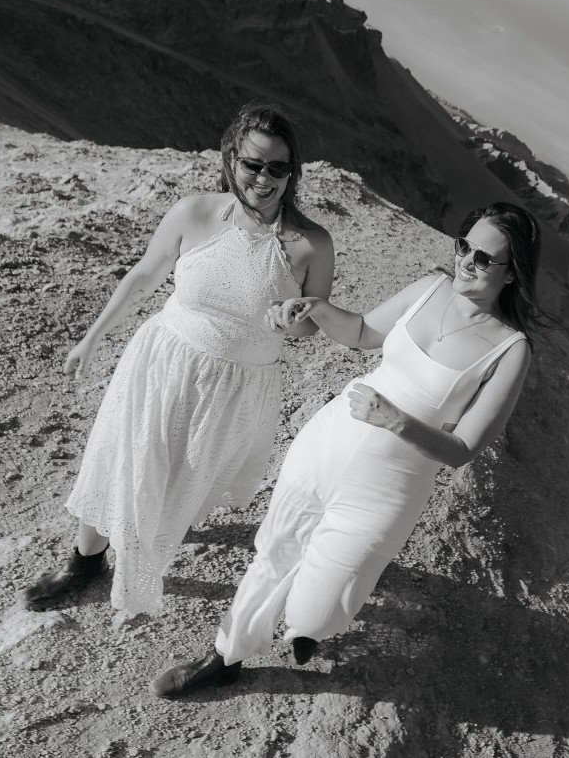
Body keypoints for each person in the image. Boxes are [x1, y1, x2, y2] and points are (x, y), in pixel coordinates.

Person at [150, 202, 543, 697]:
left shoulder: (510, 350)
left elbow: (464, 448)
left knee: (316, 609)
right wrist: (313, 308)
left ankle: (308, 624)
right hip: (327, 444)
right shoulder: (429, 288)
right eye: (465, 246)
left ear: (512, 272)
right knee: (274, 552)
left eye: (484, 258)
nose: (467, 261)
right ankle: (224, 656)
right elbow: (361, 332)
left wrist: (398, 421)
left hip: (389, 487)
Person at [19, 104, 335, 616]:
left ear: (292, 172)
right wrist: (92, 339)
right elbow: (143, 277)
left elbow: (310, 323)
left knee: (183, 476)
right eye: (252, 164)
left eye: (278, 167)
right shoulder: (194, 213)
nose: (264, 179)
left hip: (235, 385)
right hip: (163, 363)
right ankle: (85, 561)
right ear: (230, 159)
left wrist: (291, 320)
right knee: (124, 456)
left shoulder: (312, 244)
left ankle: (156, 530)